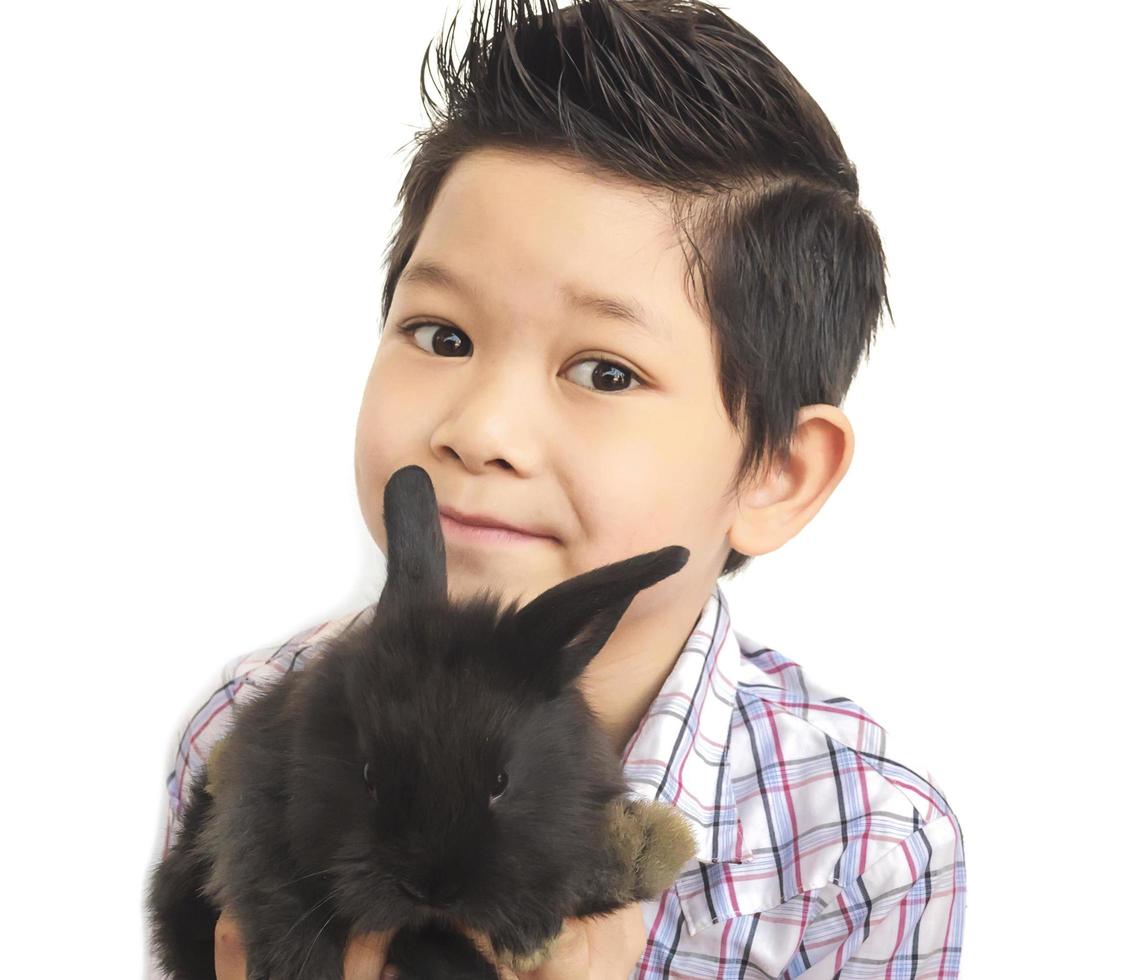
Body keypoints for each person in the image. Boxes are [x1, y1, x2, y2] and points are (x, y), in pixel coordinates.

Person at [146, 0, 965, 976]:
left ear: (777, 471)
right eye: (444, 335)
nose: (480, 428)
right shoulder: (250, 726)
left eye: (605, 370)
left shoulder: (861, 843)